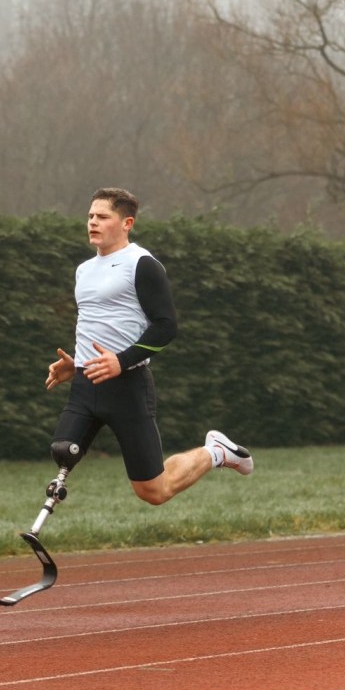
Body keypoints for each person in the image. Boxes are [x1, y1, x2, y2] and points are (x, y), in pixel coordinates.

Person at [45, 187, 253, 505]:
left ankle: (216, 452)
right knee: (63, 450)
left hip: (128, 388)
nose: (92, 223)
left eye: (102, 217)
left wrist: (122, 361)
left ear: (127, 223)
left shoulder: (142, 264)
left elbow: (166, 327)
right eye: (90, 216)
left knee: (153, 492)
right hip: (86, 385)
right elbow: (100, 325)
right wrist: (77, 363)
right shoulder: (83, 271)